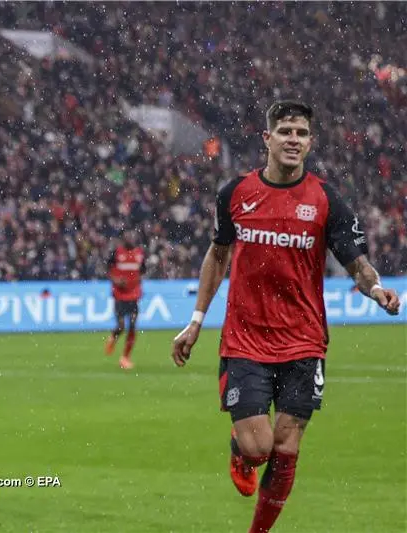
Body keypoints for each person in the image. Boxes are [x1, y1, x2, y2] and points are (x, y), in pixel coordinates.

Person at [171, 100, 401, 533]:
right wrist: (196, 319)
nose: (293, 140)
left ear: (310, 142)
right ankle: (242, 453)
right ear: (268, 139)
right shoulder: (235, 193)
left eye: (301, 133)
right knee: (259, 447)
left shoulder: (326, 199)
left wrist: (374, 289)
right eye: (285, 132)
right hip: (246, 340)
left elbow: (355, 261)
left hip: (303, 340)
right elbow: (218, 255)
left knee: (288, 444)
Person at [103, 229, 145, 370]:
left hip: (133, 295)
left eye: (132, 236)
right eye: (127, 237)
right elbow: (107, 269)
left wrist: (138, 282)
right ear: (123, 239)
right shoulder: (117, 253)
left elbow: (142, 271)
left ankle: (125, 358)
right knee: (121, 326)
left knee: (132, 325)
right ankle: (113, 337)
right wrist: (115, 280)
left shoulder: (139, 254)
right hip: (120, 295)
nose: (130, 239)